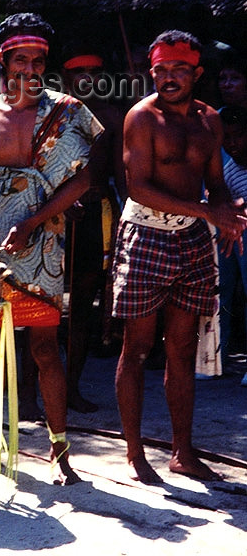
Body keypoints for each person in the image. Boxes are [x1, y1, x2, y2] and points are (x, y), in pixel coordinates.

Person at [0, 13, 103, 485]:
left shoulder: (69, 110)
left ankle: (59, 452)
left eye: (38, 60)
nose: (30, 68)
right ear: (3, 62)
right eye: (20, 59)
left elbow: (84, 178)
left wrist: (33, 220)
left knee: (45, 347)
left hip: (44, 241)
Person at [112, 29, 247, 484]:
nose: (169, 79)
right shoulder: (141, 118)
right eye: (161, 70)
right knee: (138, 347)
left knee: (183, 348)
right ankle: (134, 453)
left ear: (197, 73)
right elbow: (139, 187)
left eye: (179, 70)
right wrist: (207, 210)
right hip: (145, 235)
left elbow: (216, 179)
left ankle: (182, 452)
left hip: (191, 238)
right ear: (152, 72)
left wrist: (227, 212)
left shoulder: (209, 120)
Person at [61, 46, 127, 413]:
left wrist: (123, 217)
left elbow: (120, 175)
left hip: (95, 215)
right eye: (79, 70)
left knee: (83, 307)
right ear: (67, 76)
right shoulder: (50, 113)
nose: (88, 77)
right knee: (39, 304)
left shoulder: (111, 117)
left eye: (94, 70)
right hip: (51, 217)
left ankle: (71, 388)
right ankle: (26, 393)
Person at [218, 105, 247, 386]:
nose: (232, 144)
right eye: (226, 139)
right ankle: (216, 358)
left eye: (238, 137)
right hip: (232, 231)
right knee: (221, 290)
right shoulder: (230, 167)